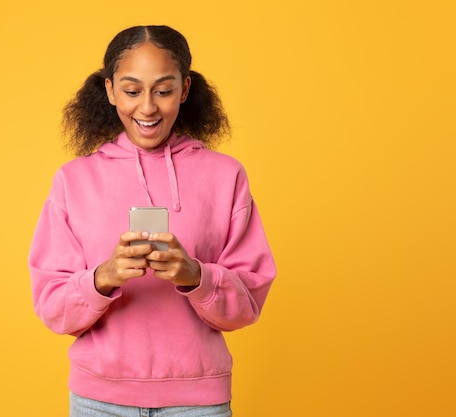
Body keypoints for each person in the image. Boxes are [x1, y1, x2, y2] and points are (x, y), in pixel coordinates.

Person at [29, 25, 276, 416]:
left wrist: (195, 276)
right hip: (99, 402)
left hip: (197, 403)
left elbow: (247, 304)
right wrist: (103, 277)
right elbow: (51, 306)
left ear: (185, 89)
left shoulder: (226, 176)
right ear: (110, 90)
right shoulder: (73, 180)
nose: (147, 108)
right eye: (131, 91)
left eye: (163, 90)